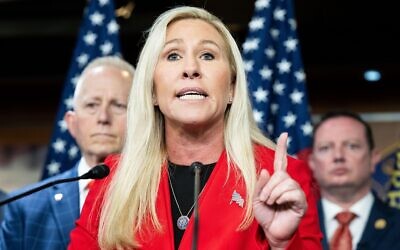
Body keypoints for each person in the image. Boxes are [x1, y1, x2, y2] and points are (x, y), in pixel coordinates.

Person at [69, 6, 322, 250]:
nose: (190, 69)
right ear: (153, 90)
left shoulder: (283, 179)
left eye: (208, 55)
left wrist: (283, 245)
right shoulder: (111, 180)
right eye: (173, 56)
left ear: (232, 88)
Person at [0, 56, 135, 250]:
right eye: (92, 105)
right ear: (72, 123)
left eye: (119, 105)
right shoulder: (25, 209)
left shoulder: (161, 198)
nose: (103, 117)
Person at [308, 111, 400, 250]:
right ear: (312, 162)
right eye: (325, 148)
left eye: (352, 146)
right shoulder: (293, 227)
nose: (338, 156)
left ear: (373, 158)